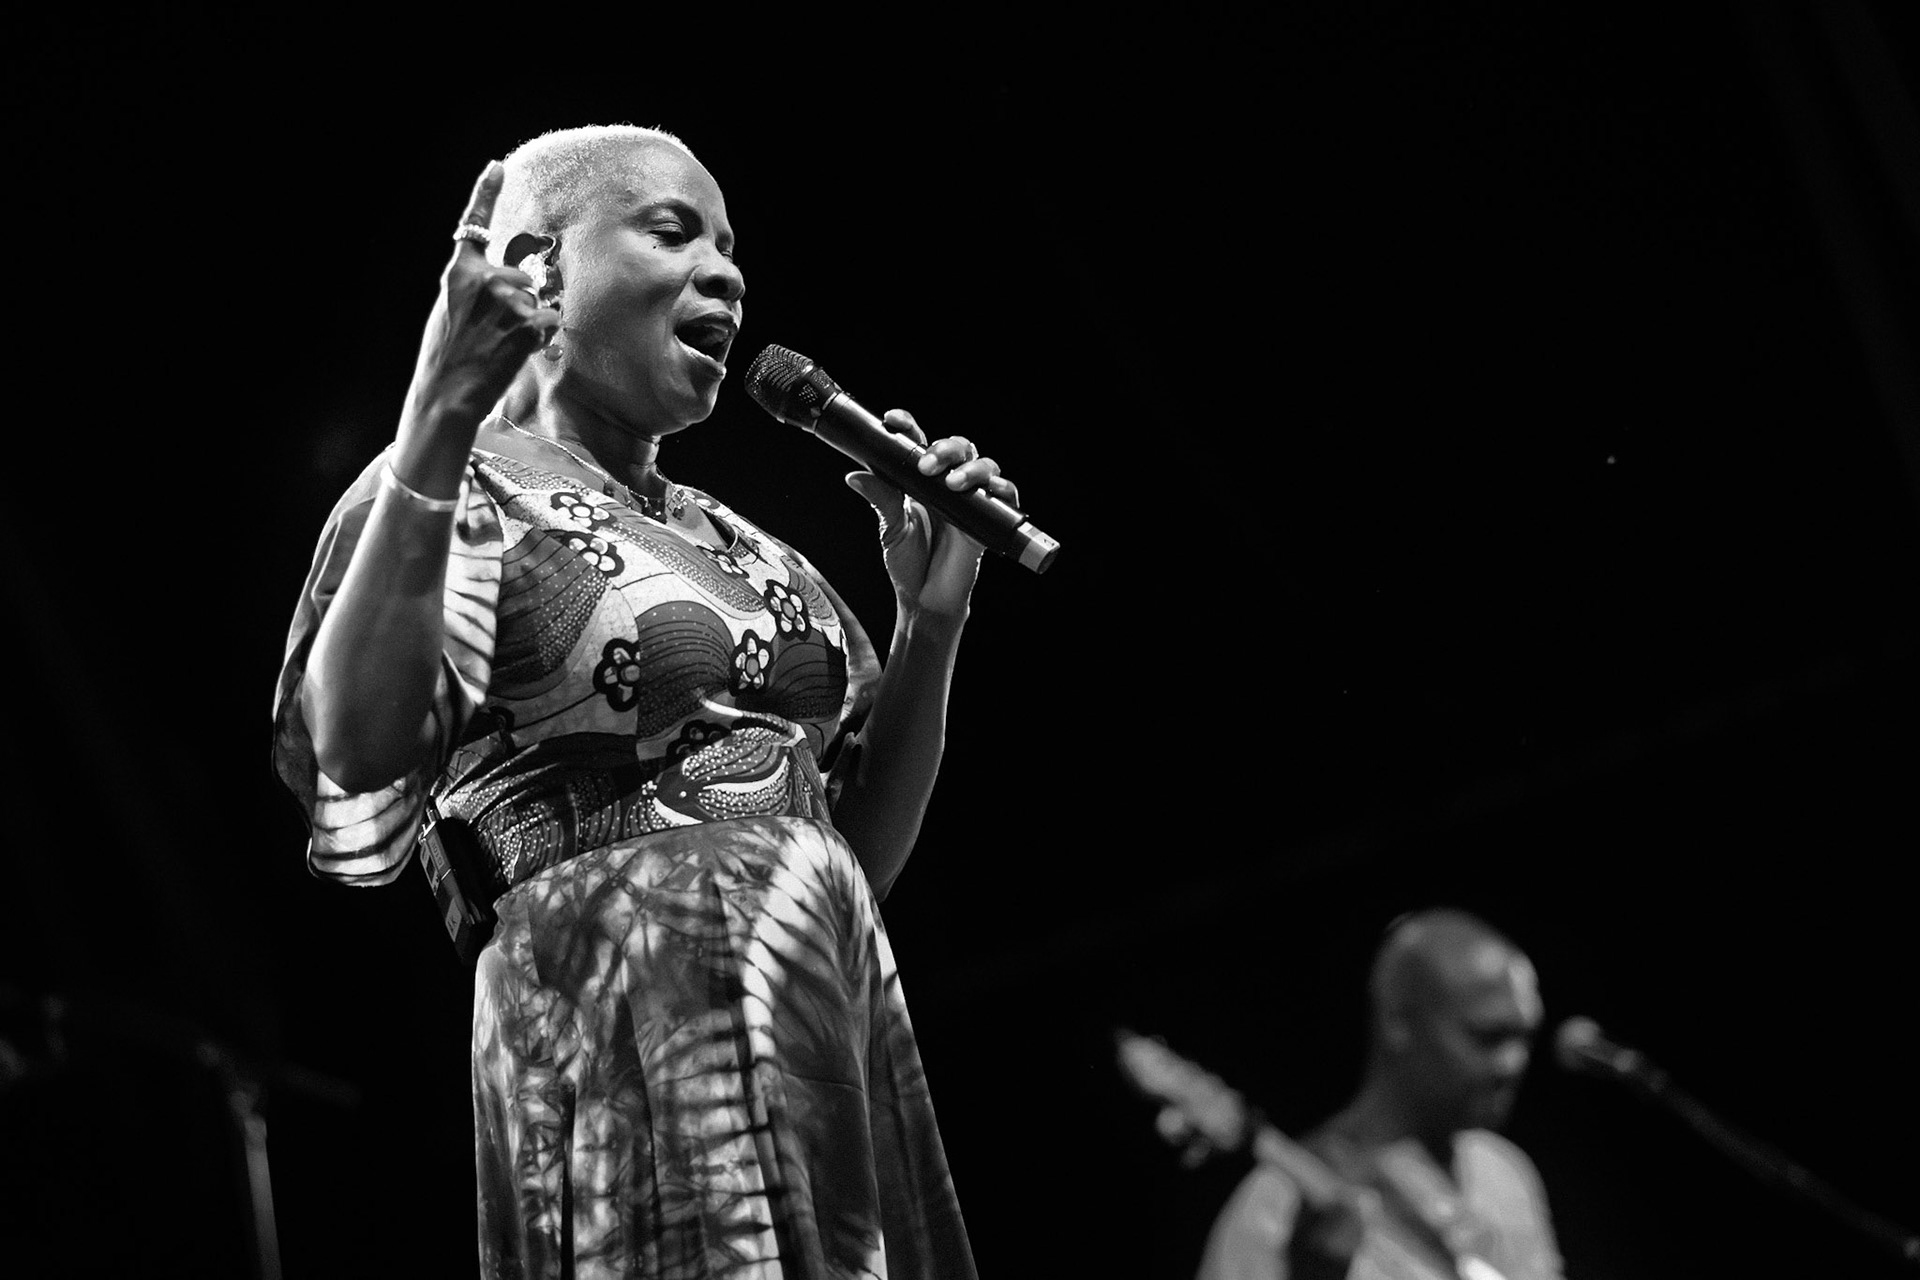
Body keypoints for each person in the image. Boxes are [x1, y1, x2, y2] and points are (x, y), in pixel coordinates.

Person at [270, 124, 1006, 1278]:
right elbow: (355, 754)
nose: (724, 272)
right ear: (539, 269)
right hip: (623, 1017)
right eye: (674, 232)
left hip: (818, 1022)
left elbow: (853, 851)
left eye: (732, 252)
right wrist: (437, 413)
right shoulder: (459, 478)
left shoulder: (746, 545)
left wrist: (931, 622)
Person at [1194, 909, 1564, 1280]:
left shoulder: (1501, 1171)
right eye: (1487, 1035)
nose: (1512, 1063)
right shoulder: (1280, 1202)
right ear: (1398, 1019)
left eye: (1525, 1038)